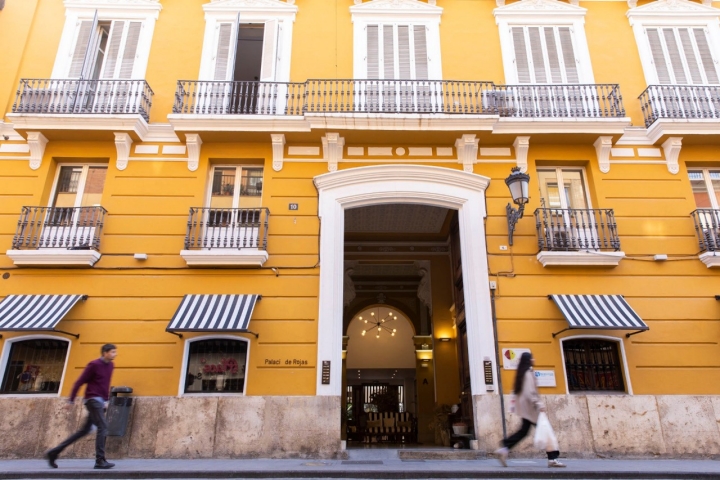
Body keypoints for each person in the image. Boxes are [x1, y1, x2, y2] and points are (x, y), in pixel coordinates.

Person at [45, 344, 118, 470]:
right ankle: (100, 460)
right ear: (105, 353)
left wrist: (106, 400)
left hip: (100, 401)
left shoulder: (111, 366)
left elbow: (106, 384)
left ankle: (54, 452)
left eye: (115, 352)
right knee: (103, 426)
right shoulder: (94, 365)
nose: (115, 354)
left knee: (84, 430)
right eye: (112, 352)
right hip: (92, 399)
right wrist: (71, 400)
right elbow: (79, 382)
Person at [494, 351, 566, 468]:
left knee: (523, 431)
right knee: (547, 432)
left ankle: (505, 448)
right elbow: (529, 393)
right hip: (532, 409)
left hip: (527, 410)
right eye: (532, 358)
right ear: (528, 360)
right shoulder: (528, 373)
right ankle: (552, 458)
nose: (534, 360)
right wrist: (538, 404)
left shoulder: (522, 374)